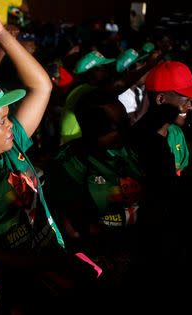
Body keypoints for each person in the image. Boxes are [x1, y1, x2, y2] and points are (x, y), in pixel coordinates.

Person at [0, 9, 100, 313]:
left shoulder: (12, 144)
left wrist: (1, 36)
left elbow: (42, 86)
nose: (10, 125)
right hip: (21, 289)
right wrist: (52, 264)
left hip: (54, 266)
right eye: (1, 120)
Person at [44, 90, 143, 289]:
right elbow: (74, 230)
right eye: (116, 127)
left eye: (126, 123)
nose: (125, 131)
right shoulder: (67, 164)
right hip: (99, 263)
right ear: (90, 128)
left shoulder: (134, 149)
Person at [128, 60, 192, 293]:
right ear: (161, 100)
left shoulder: (175, 134)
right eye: (185, 98)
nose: (191, 105)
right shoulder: (137, 142)